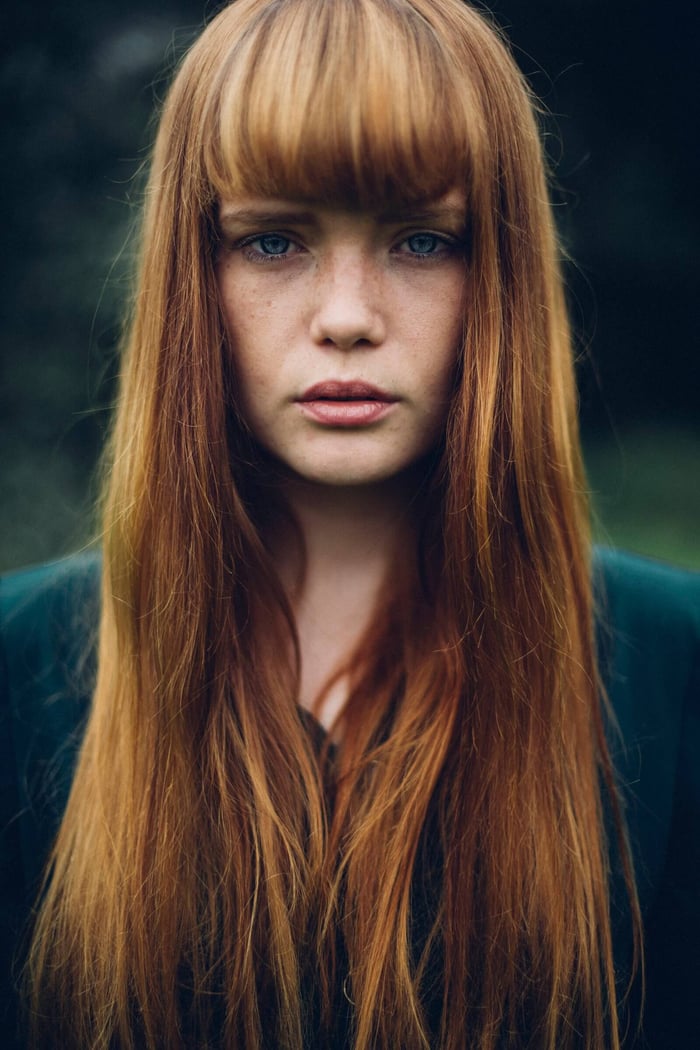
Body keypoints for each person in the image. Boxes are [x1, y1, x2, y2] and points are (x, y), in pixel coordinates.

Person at [0, 0, 698, 1046]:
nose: (346, 315)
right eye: (273, 240)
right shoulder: (21, 666)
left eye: (423, 240)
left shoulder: (672, 664)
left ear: (498, 271)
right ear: (195, 271)